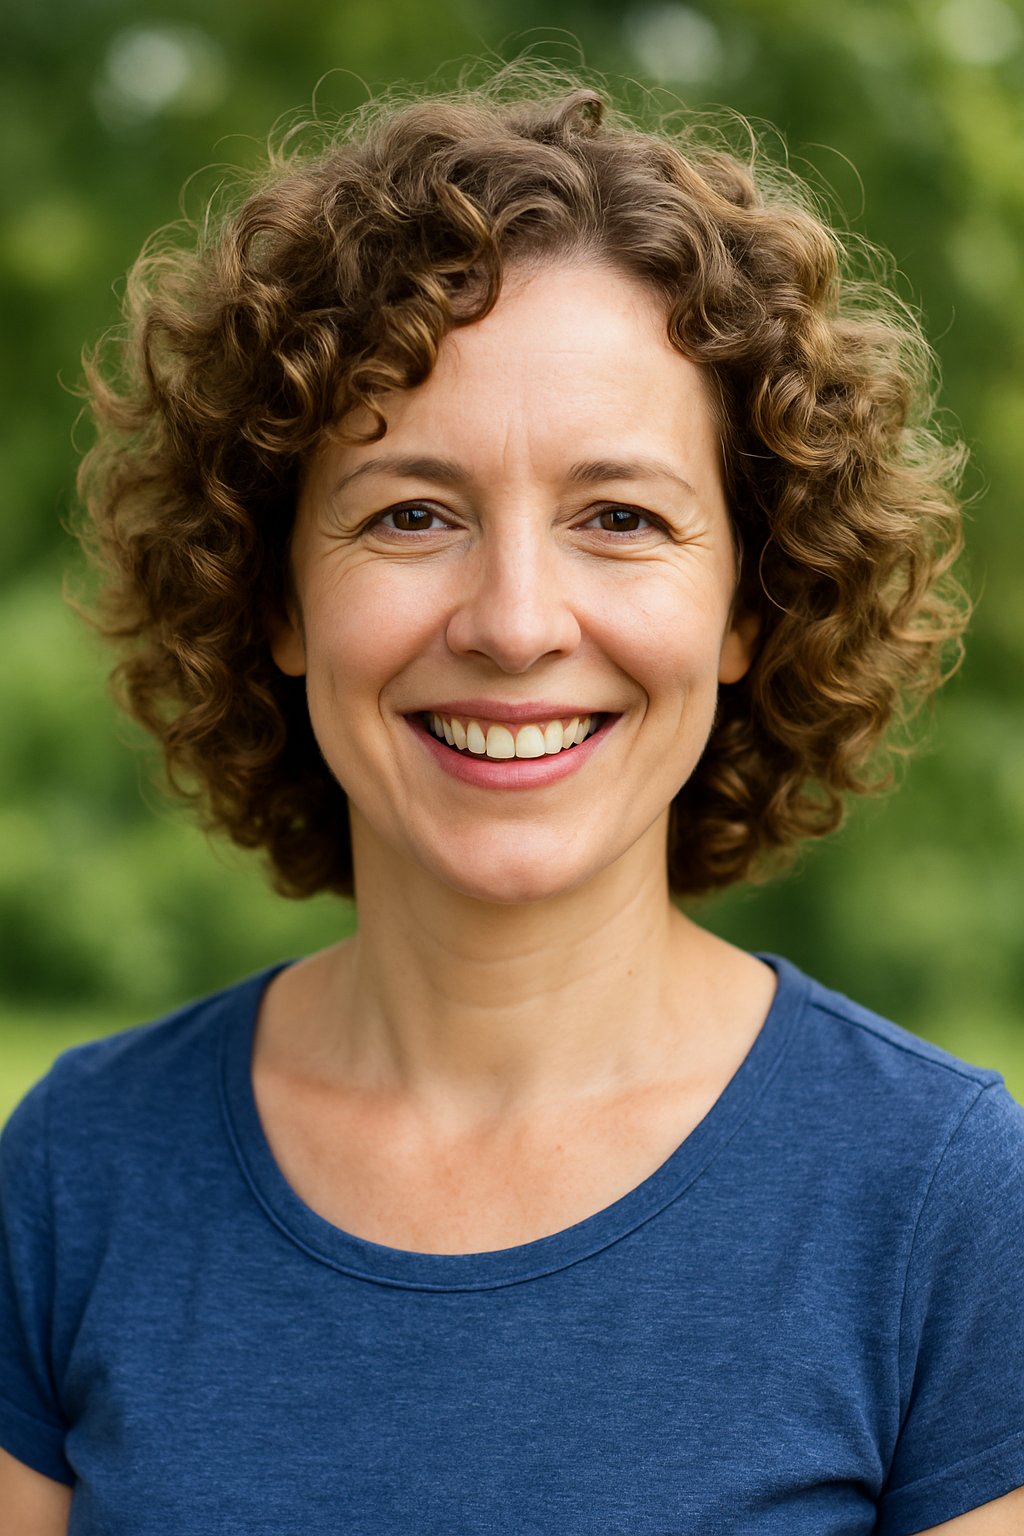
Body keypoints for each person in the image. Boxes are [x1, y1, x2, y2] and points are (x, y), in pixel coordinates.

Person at [1, 65, 1022, 1535]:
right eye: (413, 513)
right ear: (274, 593)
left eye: (620, 517)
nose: (516, 619)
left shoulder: (945, 1204)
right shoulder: (77, 1176)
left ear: (751, 598)